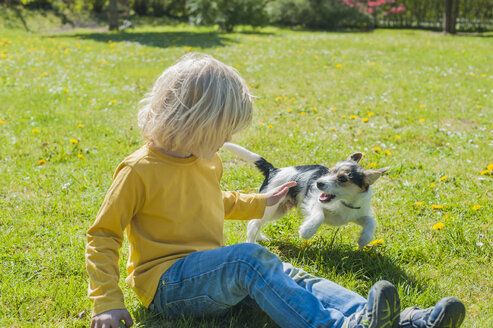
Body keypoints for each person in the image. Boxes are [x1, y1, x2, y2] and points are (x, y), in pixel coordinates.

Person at [85, 53, 465, 328]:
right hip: (167, 285)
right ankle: (333, 326)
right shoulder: (139, 170)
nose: (229, 139)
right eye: (224, 130)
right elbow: (102, 235)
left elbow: (210, 202)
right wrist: (106, 302)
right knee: (251, 259)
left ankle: (386, 320)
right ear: (191, 123)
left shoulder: (203, 159)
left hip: (214, 274)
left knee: (290, 274)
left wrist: (260, 202)